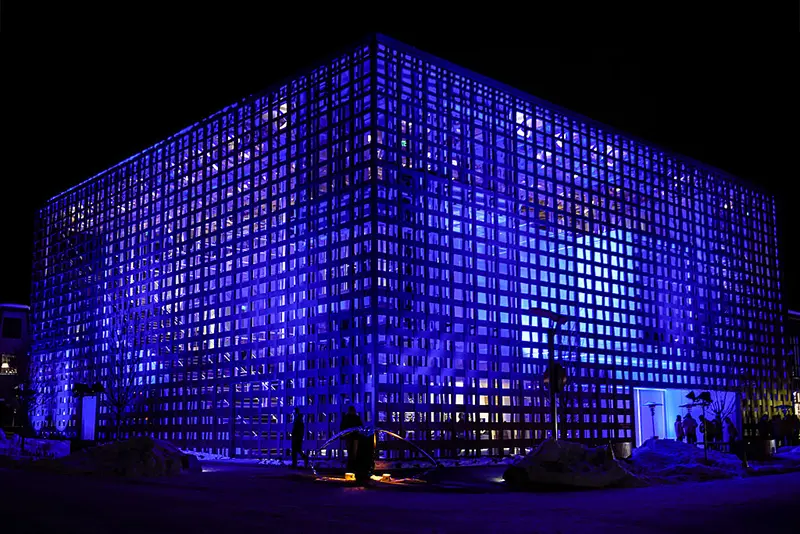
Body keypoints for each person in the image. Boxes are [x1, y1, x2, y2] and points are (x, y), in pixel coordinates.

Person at [340, 406, 363, 470]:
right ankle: (353, 466)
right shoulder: (356, 418)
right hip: (354, 437)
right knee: (353, 452)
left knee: (351, 452)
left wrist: (343, 436)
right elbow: (360, 427)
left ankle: (350, 466)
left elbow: (342, 427)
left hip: (349, 437)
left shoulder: (346, 418)